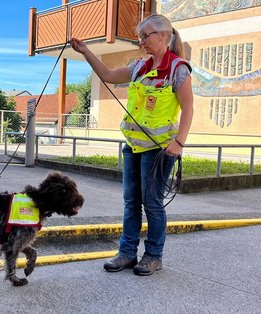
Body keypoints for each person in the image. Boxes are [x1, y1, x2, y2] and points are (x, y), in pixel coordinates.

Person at [70, 14, 194, 276]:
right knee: (131, 202)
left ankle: (153, 256)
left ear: (163, 35)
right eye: (140, 37)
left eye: (145, 36)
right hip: (133, 146)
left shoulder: (177, 69)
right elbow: (107, 74)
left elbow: (188, 108)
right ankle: (127, 253)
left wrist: (179, 142)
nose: (141, 42)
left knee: (152, 203)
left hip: (159, 149)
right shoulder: (139, 67)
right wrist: (85, 51)